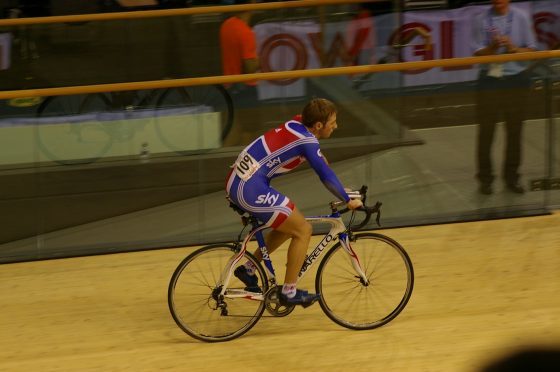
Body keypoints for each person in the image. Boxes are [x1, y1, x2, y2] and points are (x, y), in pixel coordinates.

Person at [225, 98, 363, 307]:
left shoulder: (298, 123)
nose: (336, 126)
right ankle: (289, 292)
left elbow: (319, 160)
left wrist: (342, 188)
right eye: (332, 122)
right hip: (249, 188)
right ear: (318, 125)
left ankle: (249, 269)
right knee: (303, 230)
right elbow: (324, 175)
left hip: (238, 181)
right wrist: (346, 199)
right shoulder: (307, 141)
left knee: (289, 223)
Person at [471, 0, 538, 195]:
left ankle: (512, 177)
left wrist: (515, 49)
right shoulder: (480, 19)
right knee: (486, 133)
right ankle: (485, 179)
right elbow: (476, 53)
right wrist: (492, 46)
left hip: (516, 81)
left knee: (515, 132)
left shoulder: (521, 17)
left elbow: (532, 51)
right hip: (489, 81)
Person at [219, 0, 261, 145]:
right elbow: (249, 67)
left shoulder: (226, 25)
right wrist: (259, 61)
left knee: (235, 127)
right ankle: (246, 166)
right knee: (248, 132)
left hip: (230, 85)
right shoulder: (246, 32)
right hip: (245, 88)